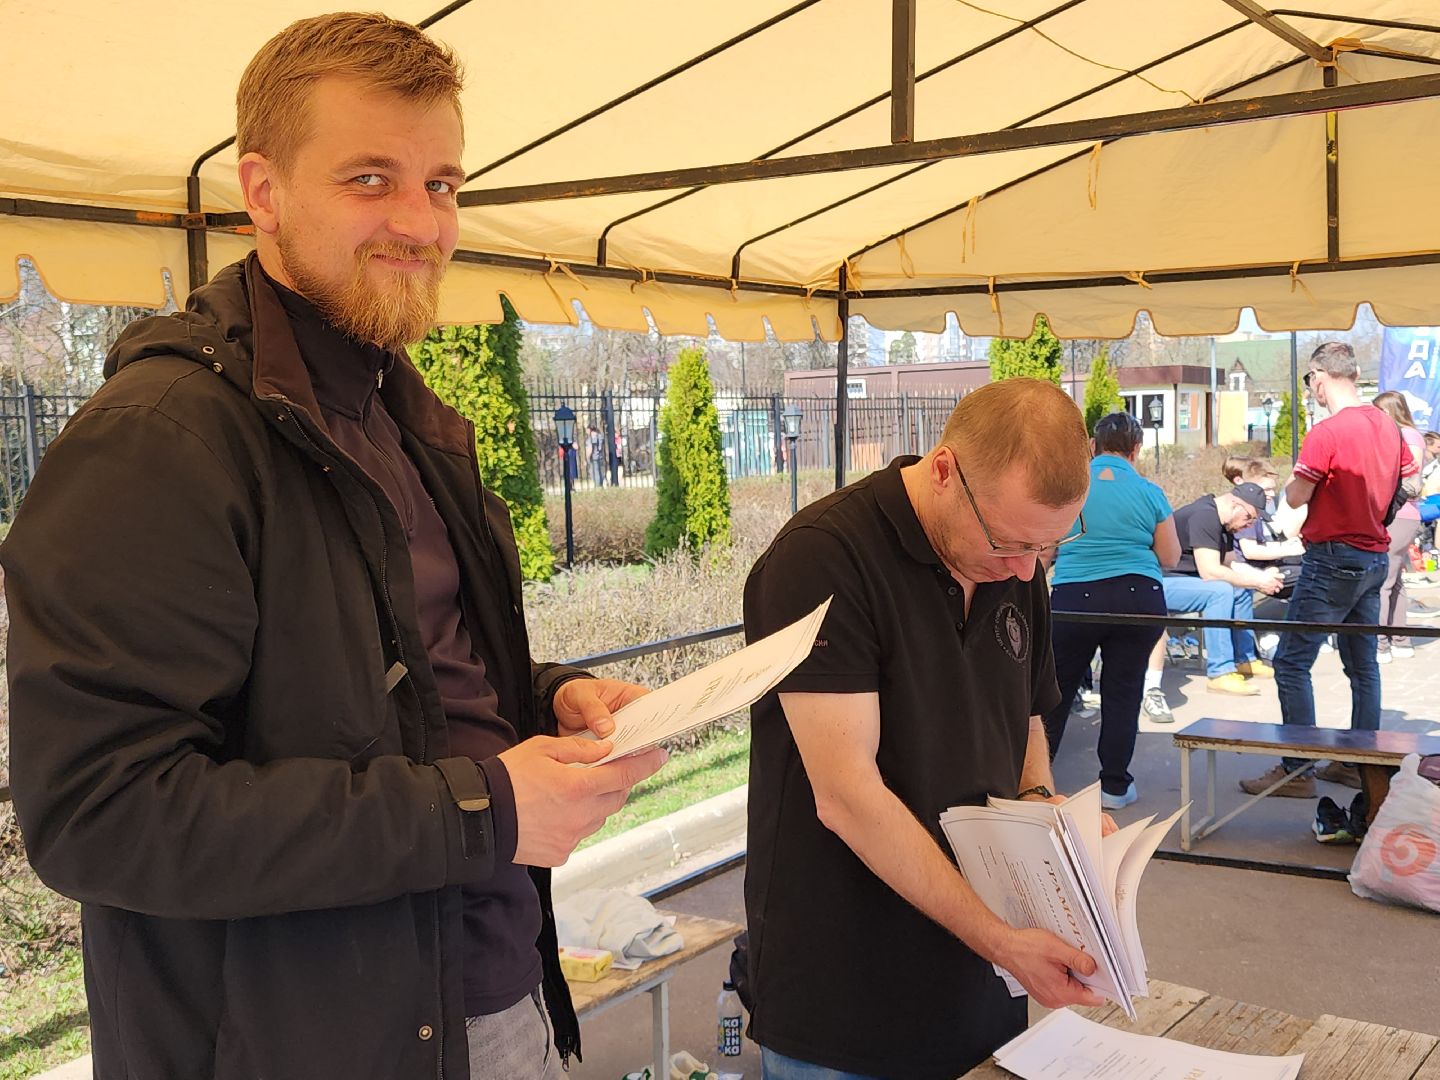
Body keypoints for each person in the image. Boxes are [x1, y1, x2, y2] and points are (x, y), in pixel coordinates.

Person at [1, 14, 667, 1080]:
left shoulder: (404, 415)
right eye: (371, 178)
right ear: (261, 193)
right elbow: (100, 814)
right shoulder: (161, 441)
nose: (421, 222)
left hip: (495, 988)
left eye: (443, 184)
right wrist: (481, 808)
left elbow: (391, 679)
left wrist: (549, 698)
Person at [743, 379, 1110, 1080]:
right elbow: (847, 796)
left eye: (1048, 547)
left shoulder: (1016, 556)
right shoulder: (821, 559)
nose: (1024, 568)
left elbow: (1024, 717)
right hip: (849, 999)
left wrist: (1045, 815)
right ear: (944, 470)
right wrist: (1001, 941)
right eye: (1009, 541)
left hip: (987, 983)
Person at [1240, 342, 1418, 798]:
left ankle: (1298, 769)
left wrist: (1307, 490)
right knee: (1362, 666)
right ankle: (1360, 766)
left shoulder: (1328, 431)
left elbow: (1296, 496)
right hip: (1374, 556)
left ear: (1318, 376)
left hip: (1333, 556)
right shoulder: (1387, 425)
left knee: (1292, 661)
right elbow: (1411, 481)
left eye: (1309, 381)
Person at [1043, 411, 1179, 809]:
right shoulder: (1150, 491)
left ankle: (1036, 782)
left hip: (1074, 597)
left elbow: (1046, 552)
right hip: (1139, 597)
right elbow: (1170, 556)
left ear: (1091, 447)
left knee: (1056, 689)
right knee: (1123, 690)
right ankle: (1115, 787)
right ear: (1136, 450)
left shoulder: (1072, 489)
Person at [1160, 484, 1284, 695]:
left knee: (1240, 589)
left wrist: (1260, 578)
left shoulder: (1223, 522)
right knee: (1220, 591)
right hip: (1160, 582)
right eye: (1249, 518)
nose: (1248, 525)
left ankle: (1244, 659)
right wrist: (1257, 582)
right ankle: (1220, 672)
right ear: (1235, 504)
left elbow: (1231, 565)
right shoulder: (1204, 516)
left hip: (1183, 581)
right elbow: (1211, 572)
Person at [1372, 391, 1427, 663]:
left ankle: (1381, 642)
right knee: (1394, 580)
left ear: (1391, 411)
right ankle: (1400, 639)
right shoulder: (1399, 435)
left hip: (1400, 513)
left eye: (1380, 412)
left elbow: (1411, 473)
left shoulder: (1408, 436)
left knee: (1384, 578)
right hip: (1398, 513)